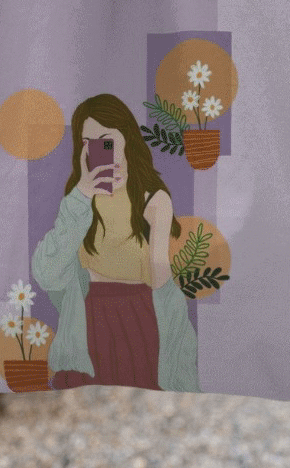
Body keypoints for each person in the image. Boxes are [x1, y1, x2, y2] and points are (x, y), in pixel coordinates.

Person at [31, 93, 200, 391]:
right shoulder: (79, 199)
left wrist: (155, 222)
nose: (99, 151)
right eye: (88, 143)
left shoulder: (152, 198)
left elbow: (161, 283)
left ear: (126, 138)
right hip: (88, 320)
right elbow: (47, 272)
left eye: (106, 141)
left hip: (139, 315)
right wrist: (82, 195)